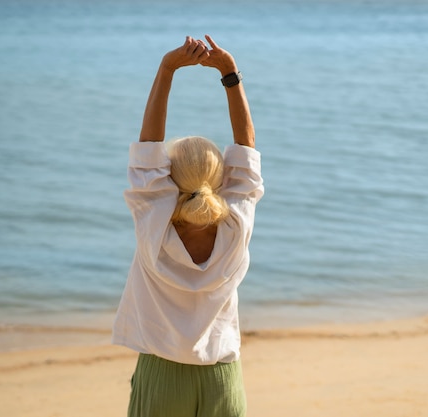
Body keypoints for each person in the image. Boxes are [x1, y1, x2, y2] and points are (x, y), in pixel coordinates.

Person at [112, 34, 264, 417]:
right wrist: (230, 74)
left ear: (169, 181)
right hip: (221, 375)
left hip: (164, 372)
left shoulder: (153, 224)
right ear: (221, 180)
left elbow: (148, 153)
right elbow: (246, 149)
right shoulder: (235, 226)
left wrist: (168, 68)